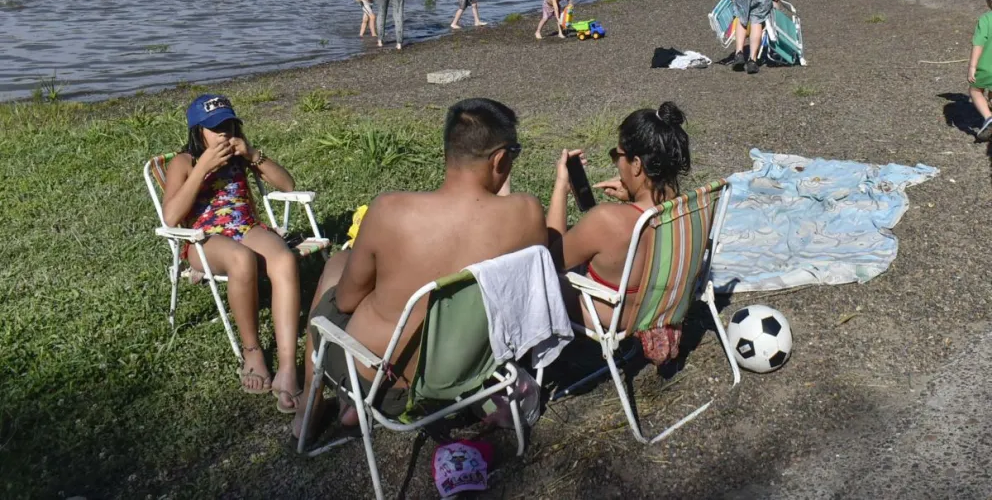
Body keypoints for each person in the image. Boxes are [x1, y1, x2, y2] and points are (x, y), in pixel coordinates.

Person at [291, 98, 546, 442]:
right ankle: (347, 404)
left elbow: (348, 301)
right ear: (501, 159)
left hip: (384, 384)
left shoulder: (390, 211)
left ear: (447, 153)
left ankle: (311, 400)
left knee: (338, 268)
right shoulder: (527, 213)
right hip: (468, 373)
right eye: (513, 151)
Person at [163, 95, 302, 411]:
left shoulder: (241, 156)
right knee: (241, 259)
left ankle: (287, 366)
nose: (223, 134)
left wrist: (253, 154)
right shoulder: (184, 162)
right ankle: (252, 350)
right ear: (198, 132)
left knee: (283, 259)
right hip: (204, 239)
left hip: (246, 228)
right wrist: (203, 168)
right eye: (215, 128)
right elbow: (171, 217)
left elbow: (288, 184)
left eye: (228, 125)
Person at [547, 102, 690, 339]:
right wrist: (634, 196)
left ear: (636, 164)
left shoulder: (606, 219)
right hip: (663, 308)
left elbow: (549, 261)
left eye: (617, 155)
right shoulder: (689, 208)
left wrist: (561, 186)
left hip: (614, 317)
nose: (616, 163)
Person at [969, 0, 992, 142]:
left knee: (975, 91)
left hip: (987, 67)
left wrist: (972, 66)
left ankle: (988, 118)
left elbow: (978, 44)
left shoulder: (985, 20)